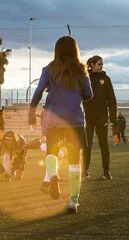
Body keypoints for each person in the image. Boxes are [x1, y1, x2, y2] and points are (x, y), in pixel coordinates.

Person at [28, 36, 93, 213]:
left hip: (54, 119)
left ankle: (54, 175)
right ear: (75, 50)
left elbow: (39, 90)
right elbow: (89, 94)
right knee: (73, 162)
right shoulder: (81, 69)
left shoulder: (49, 69)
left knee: (51, 153)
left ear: (57, 50)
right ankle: (73, 201)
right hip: (75, 120)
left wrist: (31, 111)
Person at [82, 55, 119, 180]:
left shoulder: (106, 79)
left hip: (102, 118)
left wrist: (113, 120)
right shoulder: (85, 77)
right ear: (91, 64)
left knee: (104, 145)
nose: (101, 66)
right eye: (99, 64)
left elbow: (112, 101)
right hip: (88, 118)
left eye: (102, 64)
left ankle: (106, 171)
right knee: (87, 145)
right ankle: (84, 171)